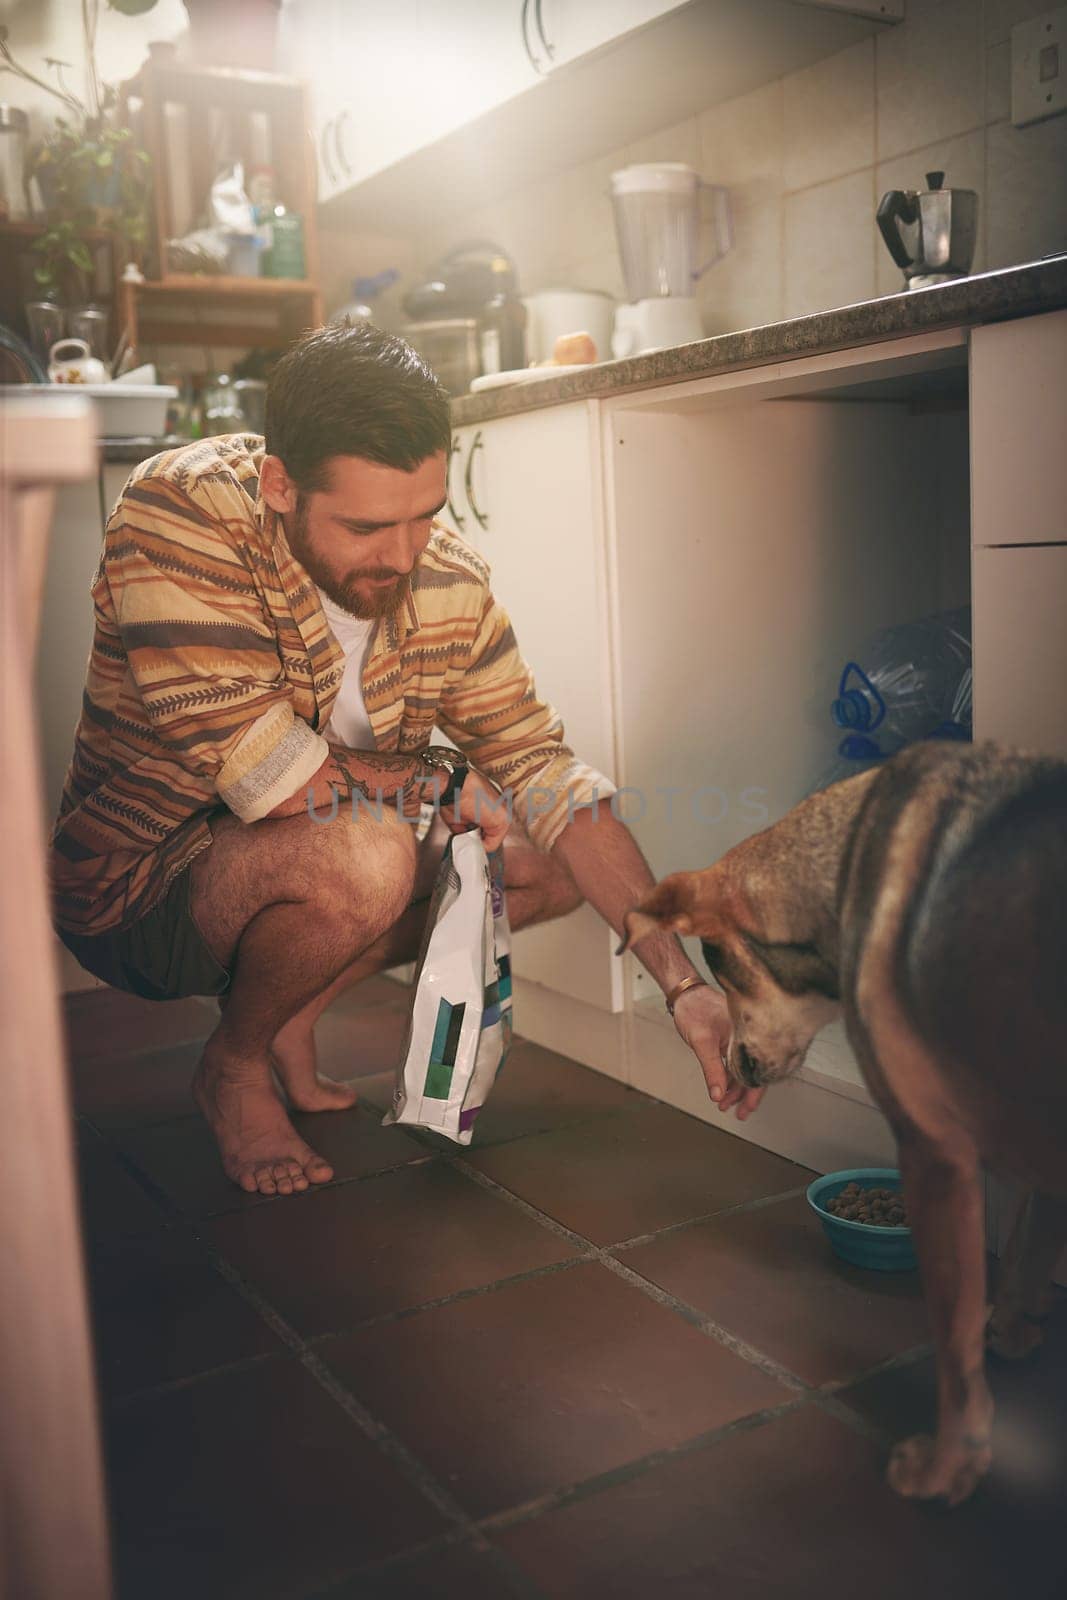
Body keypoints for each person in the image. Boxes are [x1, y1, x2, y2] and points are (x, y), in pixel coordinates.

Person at [52, 323, 762, 1197]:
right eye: (365, 525)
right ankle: (232, 1065)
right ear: (279, 485)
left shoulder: (447, 581)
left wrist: (682, 983)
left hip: (306, 866)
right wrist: (436, 775)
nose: (401, 556)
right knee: (370, 849)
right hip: (140, 894)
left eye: (424, 516)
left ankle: (287, 1010)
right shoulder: (183, 510)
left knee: (540, 859)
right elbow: (275, 781)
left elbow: (543, 767)